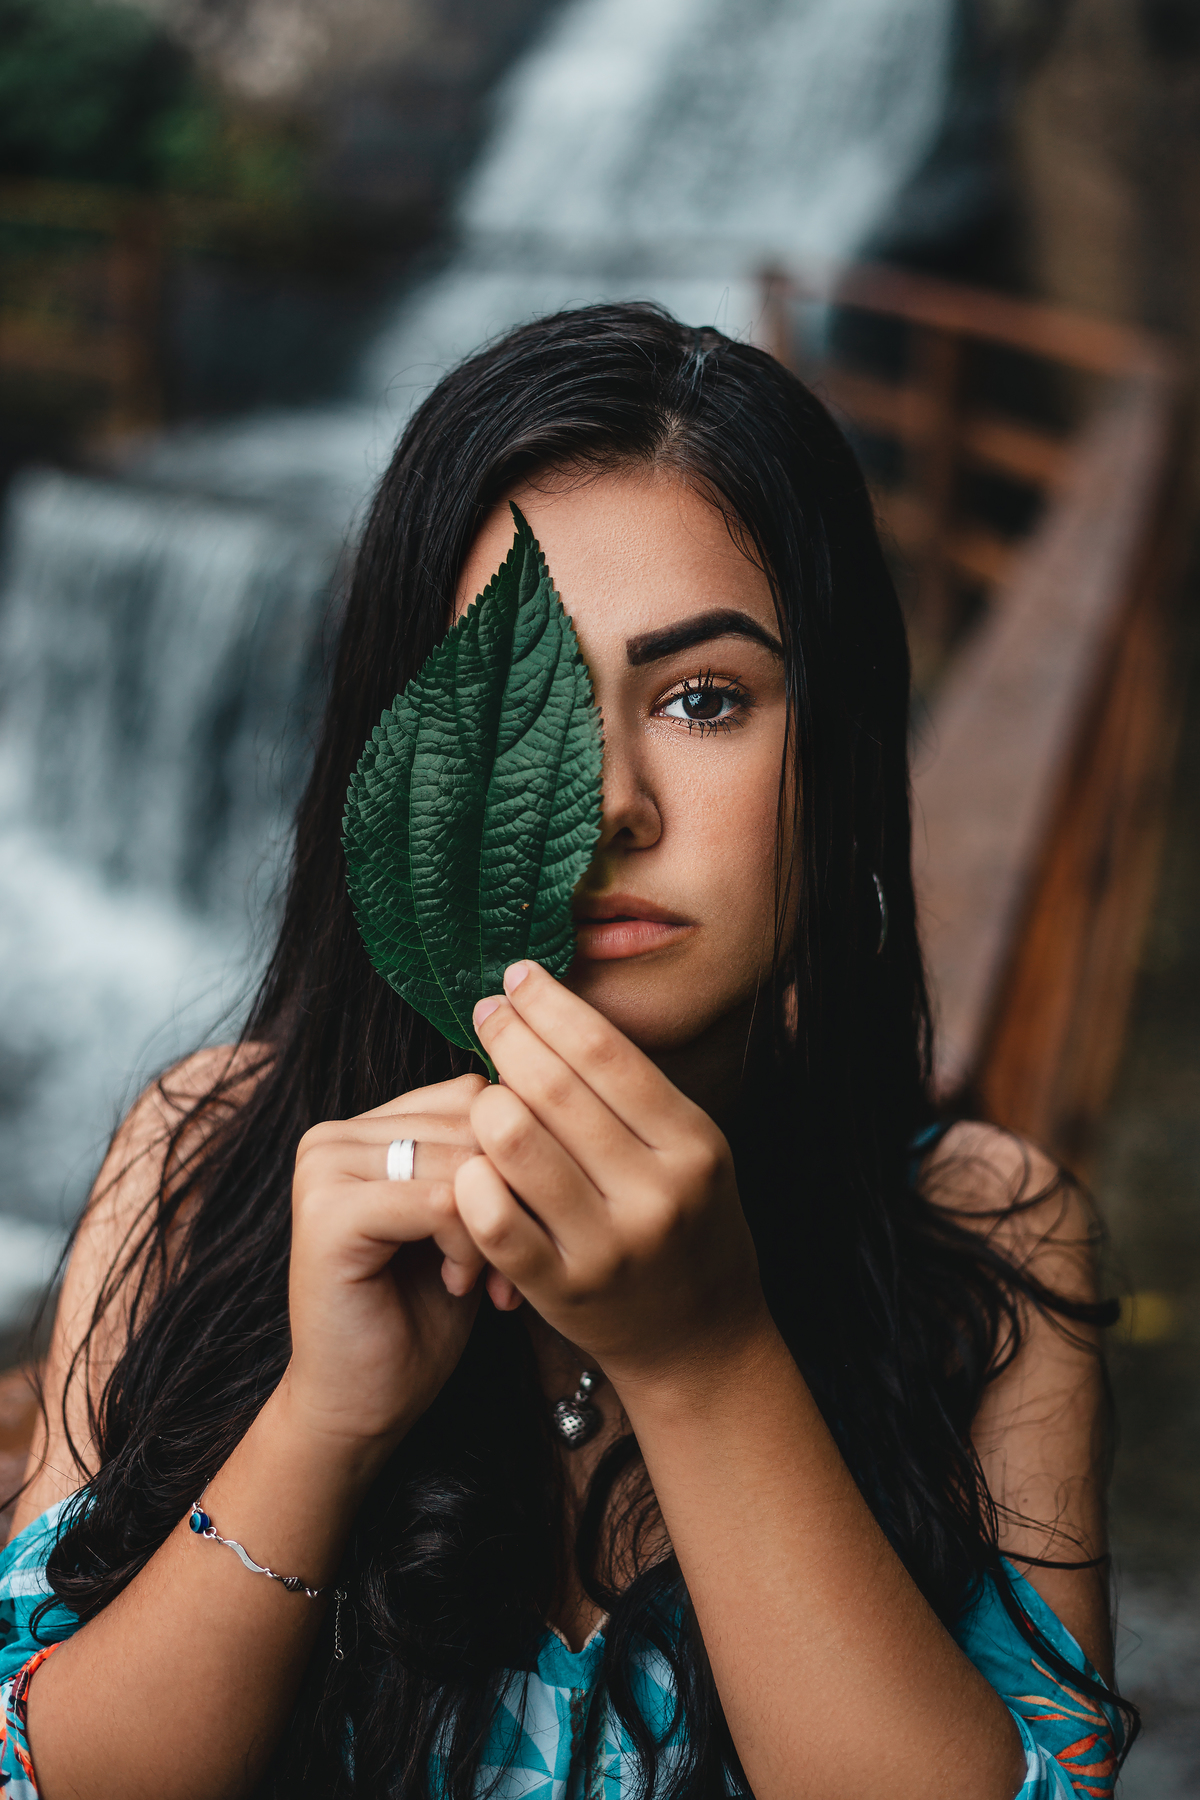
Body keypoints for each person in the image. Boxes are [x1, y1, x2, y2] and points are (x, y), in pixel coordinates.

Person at [0, 303, 1127, 1800]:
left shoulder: (979, 1235)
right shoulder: (208, 1155)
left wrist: (703, 1352)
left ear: (841, 755)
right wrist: (325, 1420)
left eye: (704, 699)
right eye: (506, 709)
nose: (599, 807)